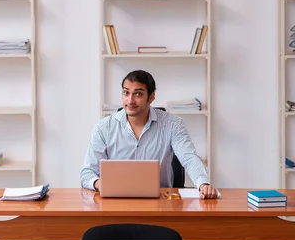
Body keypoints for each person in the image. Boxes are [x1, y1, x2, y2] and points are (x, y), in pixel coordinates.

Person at [80, 70, 218, 199]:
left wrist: (203, 183)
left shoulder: (173, 124)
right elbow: (87, 173)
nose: (130, 101)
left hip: (160, 201)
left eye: (138, 94)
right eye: (126, 93)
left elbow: (189, 158)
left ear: (151, 97)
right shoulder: (103, 128)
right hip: (115, 201)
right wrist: (99, 184)